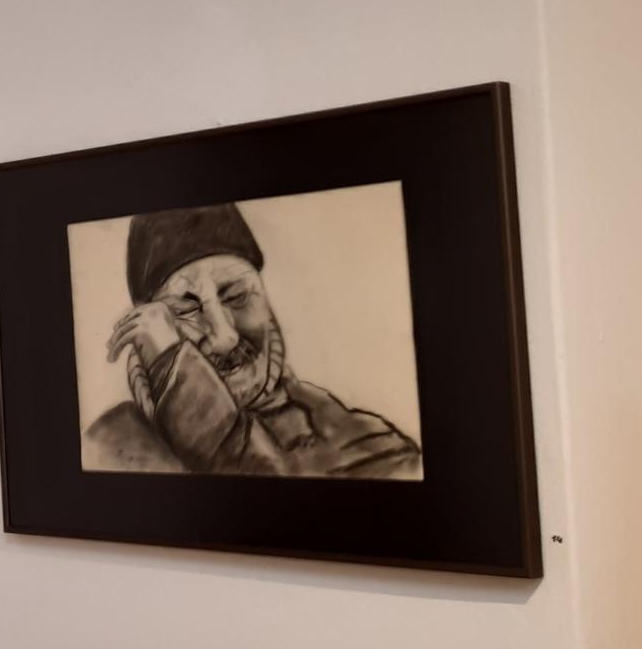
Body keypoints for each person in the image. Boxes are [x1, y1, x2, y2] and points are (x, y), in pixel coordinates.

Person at [84, 202, 421, 479]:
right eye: (185, 309)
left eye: (237, 296)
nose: (224, 338)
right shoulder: (107, 445)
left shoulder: (368, 444)